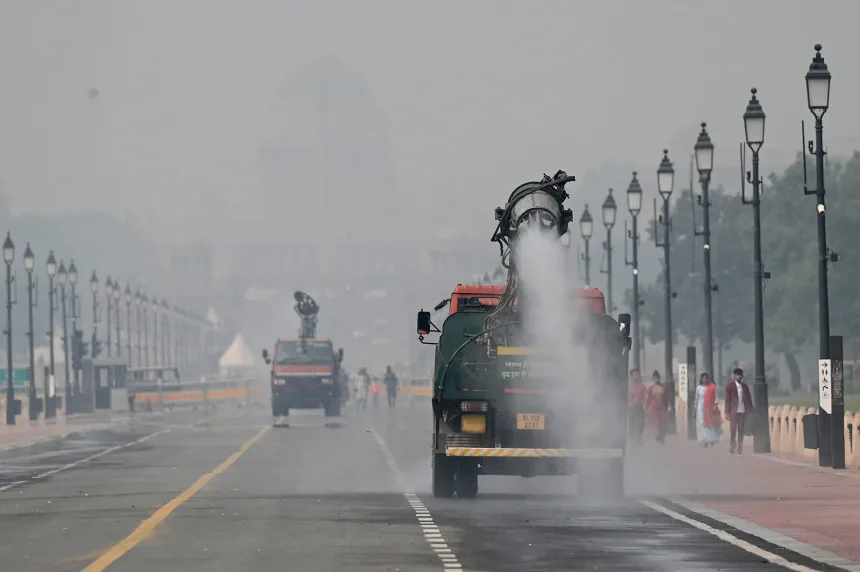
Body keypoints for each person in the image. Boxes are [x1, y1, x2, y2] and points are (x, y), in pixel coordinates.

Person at [724, 367, 754, 456]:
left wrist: (751, 410)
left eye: (739, 375)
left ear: (742, 376)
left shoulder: (745, 387)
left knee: (741, 430)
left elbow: (748, 399)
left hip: (742, 410)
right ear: (734, 376)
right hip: (733, 411)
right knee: (733, 429)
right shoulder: (730, 386)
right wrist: (726, 412)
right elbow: (727, 399)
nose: (738, 377)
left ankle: (740, 448)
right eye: (736, 375)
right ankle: (732, 445)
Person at [695, 373, 723, 447]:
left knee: (710, 424)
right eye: (703, 378)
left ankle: (711, 439)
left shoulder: (712, 387)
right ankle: (704, 440)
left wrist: (715, 405)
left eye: (706, 378)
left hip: (709, 407)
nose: (704, 380)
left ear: (708, 379)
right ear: (701, 379)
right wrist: (695, 408)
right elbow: (696, 399)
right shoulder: (698, 388)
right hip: (700, 408)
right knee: (701, 424)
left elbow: (716, 397)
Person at [645, 370, 669, 445]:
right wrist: (646, 408)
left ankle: (662, 437)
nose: (656, 380)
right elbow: (648, 399)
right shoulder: (651, 388)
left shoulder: (664, 387)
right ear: (653, 379)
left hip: (662, 408)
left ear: (660, 378)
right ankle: (658, 439)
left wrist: (667, 406)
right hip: (654, 409)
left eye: (657, 378)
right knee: (656, 424)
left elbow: (666, 397)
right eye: (655, 378)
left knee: (663, 424)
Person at [627, 368, 647, 445]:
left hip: (639, 406)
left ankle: (638, 437)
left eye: (638, 374)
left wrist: (646, 408)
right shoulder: (628, 386)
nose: (637, 376)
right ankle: (633, 439)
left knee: (642, 423)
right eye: (636, 375)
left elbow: (646, 397)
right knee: (631, 424)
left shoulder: (642, 386)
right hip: (631, 407)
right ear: (631, 376)